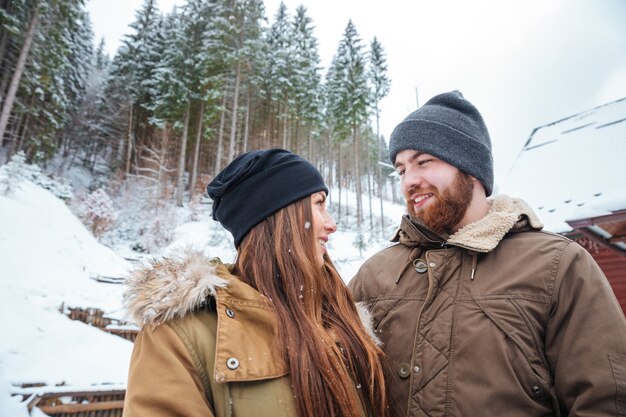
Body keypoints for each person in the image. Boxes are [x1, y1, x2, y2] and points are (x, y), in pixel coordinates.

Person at [348, 91, 626, 416]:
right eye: (401, 170)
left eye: (424, 162)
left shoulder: (557, 264)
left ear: (472, 169)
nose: (410, 180)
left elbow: (606, 399)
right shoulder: (375, 272)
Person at [122, 148, 389, 417]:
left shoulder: (337, 318)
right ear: (280, 217)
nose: (331, 224)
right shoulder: (178, 336)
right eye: (318, 204)